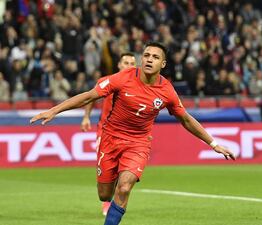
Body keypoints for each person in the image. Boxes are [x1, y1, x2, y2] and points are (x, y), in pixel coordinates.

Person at [30, 41, 235, 225]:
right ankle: (113, 193)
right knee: (104, 194)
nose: (149, 59)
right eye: (146, 55)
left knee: (125, 186)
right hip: (110, 139)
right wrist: (54, 110)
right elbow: (88, 96)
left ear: (162, 64)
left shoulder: (167, 90)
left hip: (138, 143)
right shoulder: (123, 78)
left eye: (155, 57)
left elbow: (186, 119)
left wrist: (214, 144)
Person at [81, 52, 136, 216]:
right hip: (105, 132)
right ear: (119, 65)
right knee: (109, 169)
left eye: (132, 63)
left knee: (124, 170)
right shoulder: (107, 81)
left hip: (127, 135)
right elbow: (90, 98)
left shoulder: (139, 86)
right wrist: (86, 117)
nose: (129, 66)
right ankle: (107, 202)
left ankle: (115, 201)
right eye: (125, 62)